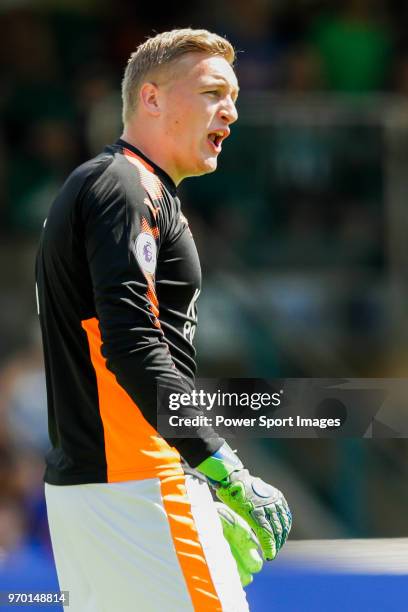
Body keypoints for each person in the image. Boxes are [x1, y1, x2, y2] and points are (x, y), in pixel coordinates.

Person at [35, 28, 292, 611]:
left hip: (102, 491)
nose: (229, 110)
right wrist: (221, 465)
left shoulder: (111, 185)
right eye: (211, 92)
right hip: (138, 487)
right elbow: (130, 343)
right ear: (150, 99)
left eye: (234, 97)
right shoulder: (124, 185)